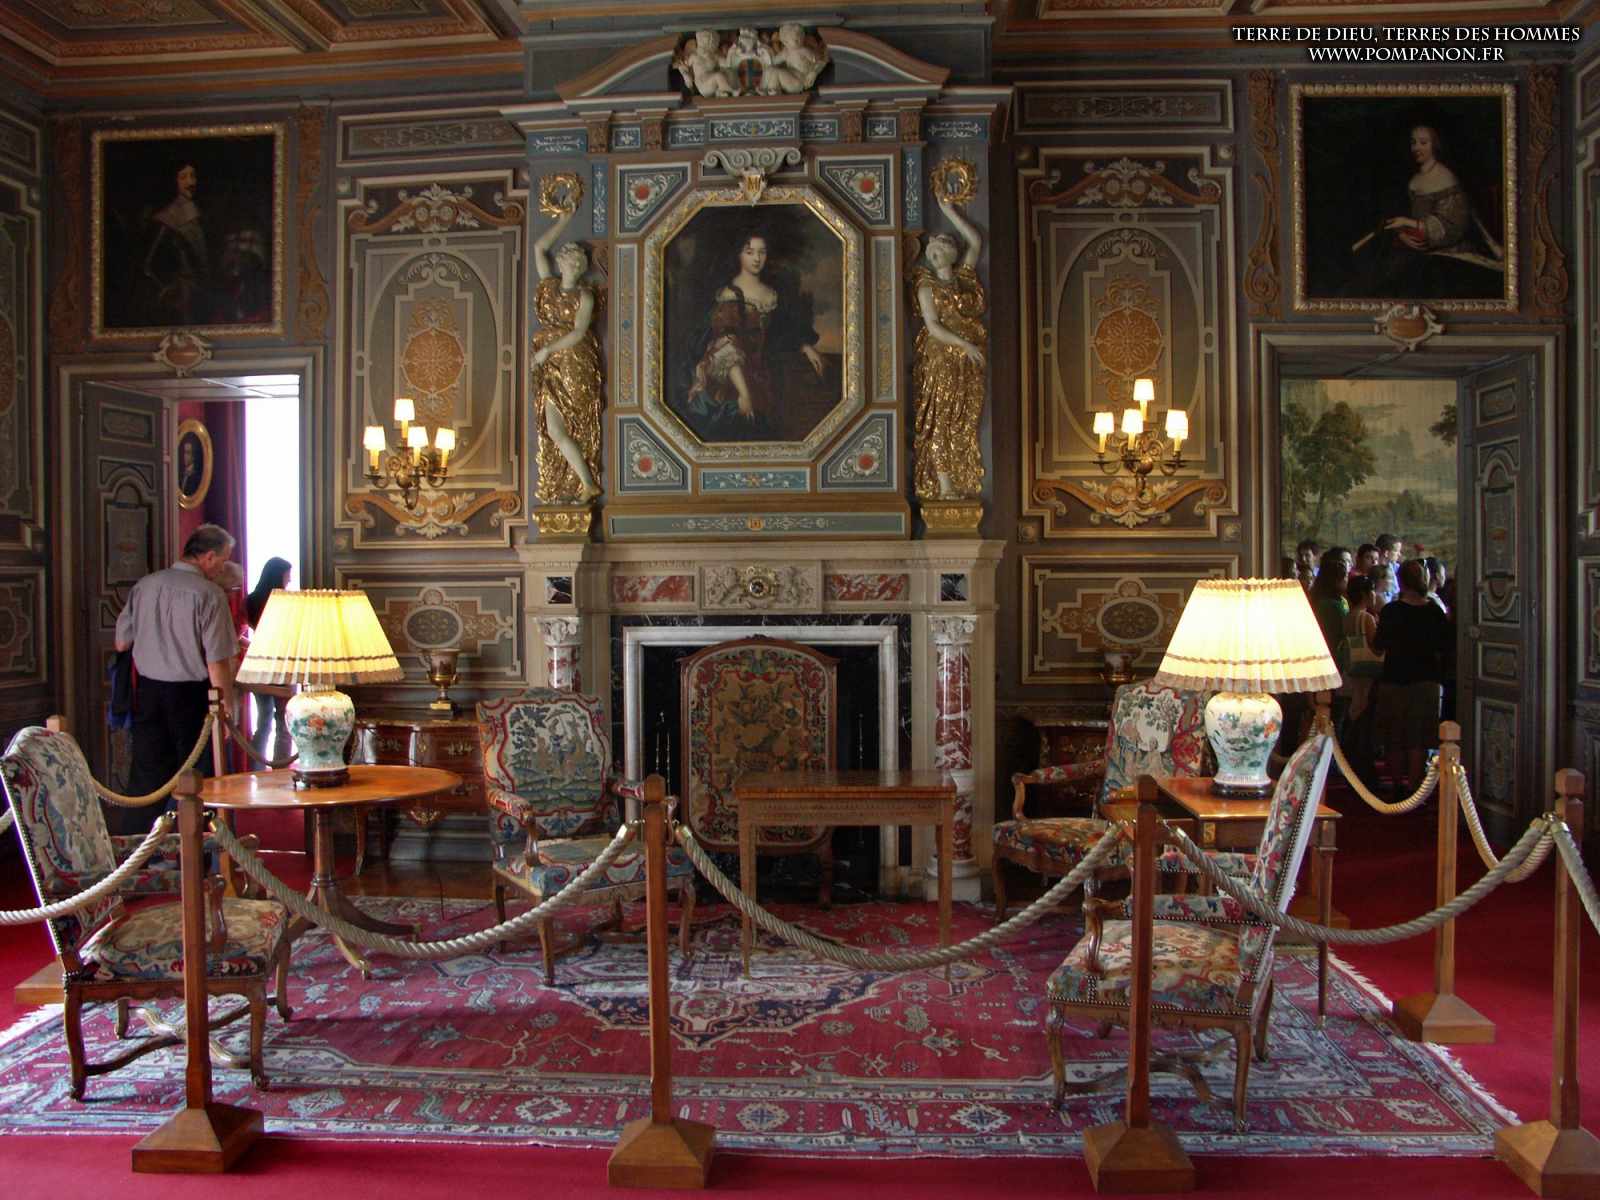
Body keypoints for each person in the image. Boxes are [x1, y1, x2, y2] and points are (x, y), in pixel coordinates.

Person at [112, 524, 240, 833]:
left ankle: (138, 849)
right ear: (208, 557)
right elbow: (217, 662)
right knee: (197, 779)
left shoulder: (145, 585)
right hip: (191, 698)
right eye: (223, 560)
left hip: (147, 694)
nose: (223, 568)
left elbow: (121, 643)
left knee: (147, 777)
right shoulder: (209, 594)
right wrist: (227, 710)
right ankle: (194, 850)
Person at [683, 228, 830, 442]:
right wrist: (744, 393)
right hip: (734, 379)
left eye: (762, 252)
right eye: (750, 252)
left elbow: (781, 333)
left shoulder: (771, 294)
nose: (757, 258)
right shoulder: (730, 295)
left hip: (764, 375)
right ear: (739, 255)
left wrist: (806, 347)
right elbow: (726, 346)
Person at [1361, 124, 1505, 299]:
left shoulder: (1446, 177)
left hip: (1447, 250)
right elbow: (1403, 214)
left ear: (1435, 145)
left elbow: (1453, 227)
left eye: (1423, 143)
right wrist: (1401, 233)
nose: (1416, 148)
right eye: (1413, 142)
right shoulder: (1414, 178)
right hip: (1418, 245)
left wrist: (1408, 223)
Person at [910, 193, 987, 502]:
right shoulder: (926, 287)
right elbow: (933, 327)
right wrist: (964, 344)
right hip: (942, 357)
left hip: (967, 360)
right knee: (940, 416)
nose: (936, 252)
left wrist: (948, 210)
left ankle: (957, 477)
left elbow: (975, 241)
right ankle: (944, 486)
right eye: (932, 249)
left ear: (952, 254)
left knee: (964, 418)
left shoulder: (963, 279)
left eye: (942, 247)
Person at [530, 202, 603, 504]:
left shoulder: (584, 296)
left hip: (573, 362)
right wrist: (564, 220)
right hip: (548, 364)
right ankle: (586, 483)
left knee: (573, 424)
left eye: (575, 263)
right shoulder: (548, 287)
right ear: (561, 263)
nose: (570, 266)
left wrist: (547, 350)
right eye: (567, 261)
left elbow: (578, 333)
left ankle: (587, 482)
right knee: (553, 430)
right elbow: (539, 247)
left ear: (580, 267)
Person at [1373, 559, 1453, 800]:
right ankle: (1414, 788)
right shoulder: (1434, 611)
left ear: (1401, 581)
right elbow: (1444, 646)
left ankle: (1397, 785)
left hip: (1394, 678)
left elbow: (1378, 646)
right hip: (1426, 679)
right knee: (1419, 738)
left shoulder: (1391, 611)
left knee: (1395, 736)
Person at [142, 161, 208, 326]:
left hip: (201, 289)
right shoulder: (167, 217)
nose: (190, 182)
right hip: (183, 294)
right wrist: (167, 290)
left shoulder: (198, 210)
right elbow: (148, 266)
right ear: (174, 181)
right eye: (183, 177)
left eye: (193, 176)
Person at [245, 557, 293, 760]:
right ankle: (280, 766)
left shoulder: (251, 600)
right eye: (288, 574)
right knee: (284, 722)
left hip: (259, 661)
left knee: (263, 721)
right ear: (280, 574)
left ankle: (256, 767)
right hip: (282, 661)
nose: (289, 579)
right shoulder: (285, 601)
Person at [1309, 549, 1351, 729]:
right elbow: (1339, 634)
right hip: (1332, 663)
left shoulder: (1321, 601)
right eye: (1345, 578)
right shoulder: (1332, 606)